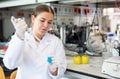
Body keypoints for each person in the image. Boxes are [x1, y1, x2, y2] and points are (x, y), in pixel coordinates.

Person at [3, 4, 66, 79]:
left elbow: (61, 71)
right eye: (42, 20)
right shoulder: (21, 37)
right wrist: (19, 36)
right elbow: (10, 64)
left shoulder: (55, 42)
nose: (46, 25)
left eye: (49, 22)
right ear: (33, 18)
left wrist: (54, 70)